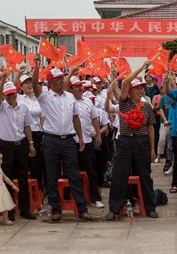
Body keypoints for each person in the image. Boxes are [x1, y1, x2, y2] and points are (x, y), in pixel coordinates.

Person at [32, 54, 92, 221]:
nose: (60, 81)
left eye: (61, 79)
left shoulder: (70, 97)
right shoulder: (44, 96)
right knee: (51, 176)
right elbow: (35, 84)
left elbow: (75, 118)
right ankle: (56, 209)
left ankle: (82, 209)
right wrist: (37, 67)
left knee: (74, 175)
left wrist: (80, 137)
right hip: (51, 140)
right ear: (50, 83)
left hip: (68, 141)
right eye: (57, 79)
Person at [105, 61, 159, 220]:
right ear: (130, 91)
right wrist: (142, 68)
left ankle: (150, 208)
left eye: (142, 88)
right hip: (125, 142)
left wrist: (152, 148)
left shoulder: (147, 106)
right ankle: (114, 209)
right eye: (137, 88)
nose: (140, 90)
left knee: (145, 175)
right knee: (118, 175)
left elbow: (150, 127)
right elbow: (126, 81)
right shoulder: (124, 102)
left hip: (141, 142)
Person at [0, 71, 37, 221]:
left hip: (21, 145)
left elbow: (27, 127)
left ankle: (25, 209)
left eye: (12, 94)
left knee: (23, 177)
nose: (11, 97)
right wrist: (2, 80)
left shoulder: (23, 107)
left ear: (16, 93)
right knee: (8, 178)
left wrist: (31, 143)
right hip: (7, 146)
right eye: (8, 95)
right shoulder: (1, 108)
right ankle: (10, 210)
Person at [67, 75, 103, 208]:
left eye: (80, 86)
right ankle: (71, 198)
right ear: (71, 89)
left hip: (87, 140)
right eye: (76, 86)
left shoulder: (88, 101)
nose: (80, 88)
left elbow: (94, 118)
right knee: (71, 172)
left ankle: (95, 198)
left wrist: (98, 134)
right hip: (71, 141)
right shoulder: (68, 101)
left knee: (91, 171)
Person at [16, 72, 46, 192]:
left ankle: (40, 190)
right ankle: (29, 191)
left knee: (39, 164)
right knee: (28, 164)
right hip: (25, 134)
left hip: (39, 133)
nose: (29, 85)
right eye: (26, 83)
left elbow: (42, 117)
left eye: (30, 82)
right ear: (21, 86)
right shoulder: (18, 98)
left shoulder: (38, 98)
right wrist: (18, 74)